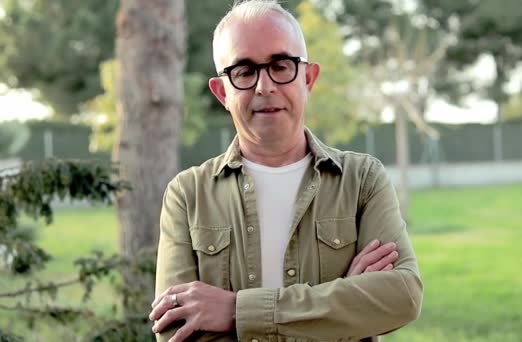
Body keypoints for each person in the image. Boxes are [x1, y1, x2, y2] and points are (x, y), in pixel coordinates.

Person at [149, 1, 422, 341]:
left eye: (281, 65)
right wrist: (343, 303)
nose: (264, 86)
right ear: (222, 92)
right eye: (245, 71)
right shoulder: (187, 195)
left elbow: (402, 296)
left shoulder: (361, 180)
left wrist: (234, 311)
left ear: (308, 78)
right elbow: (176, 330)